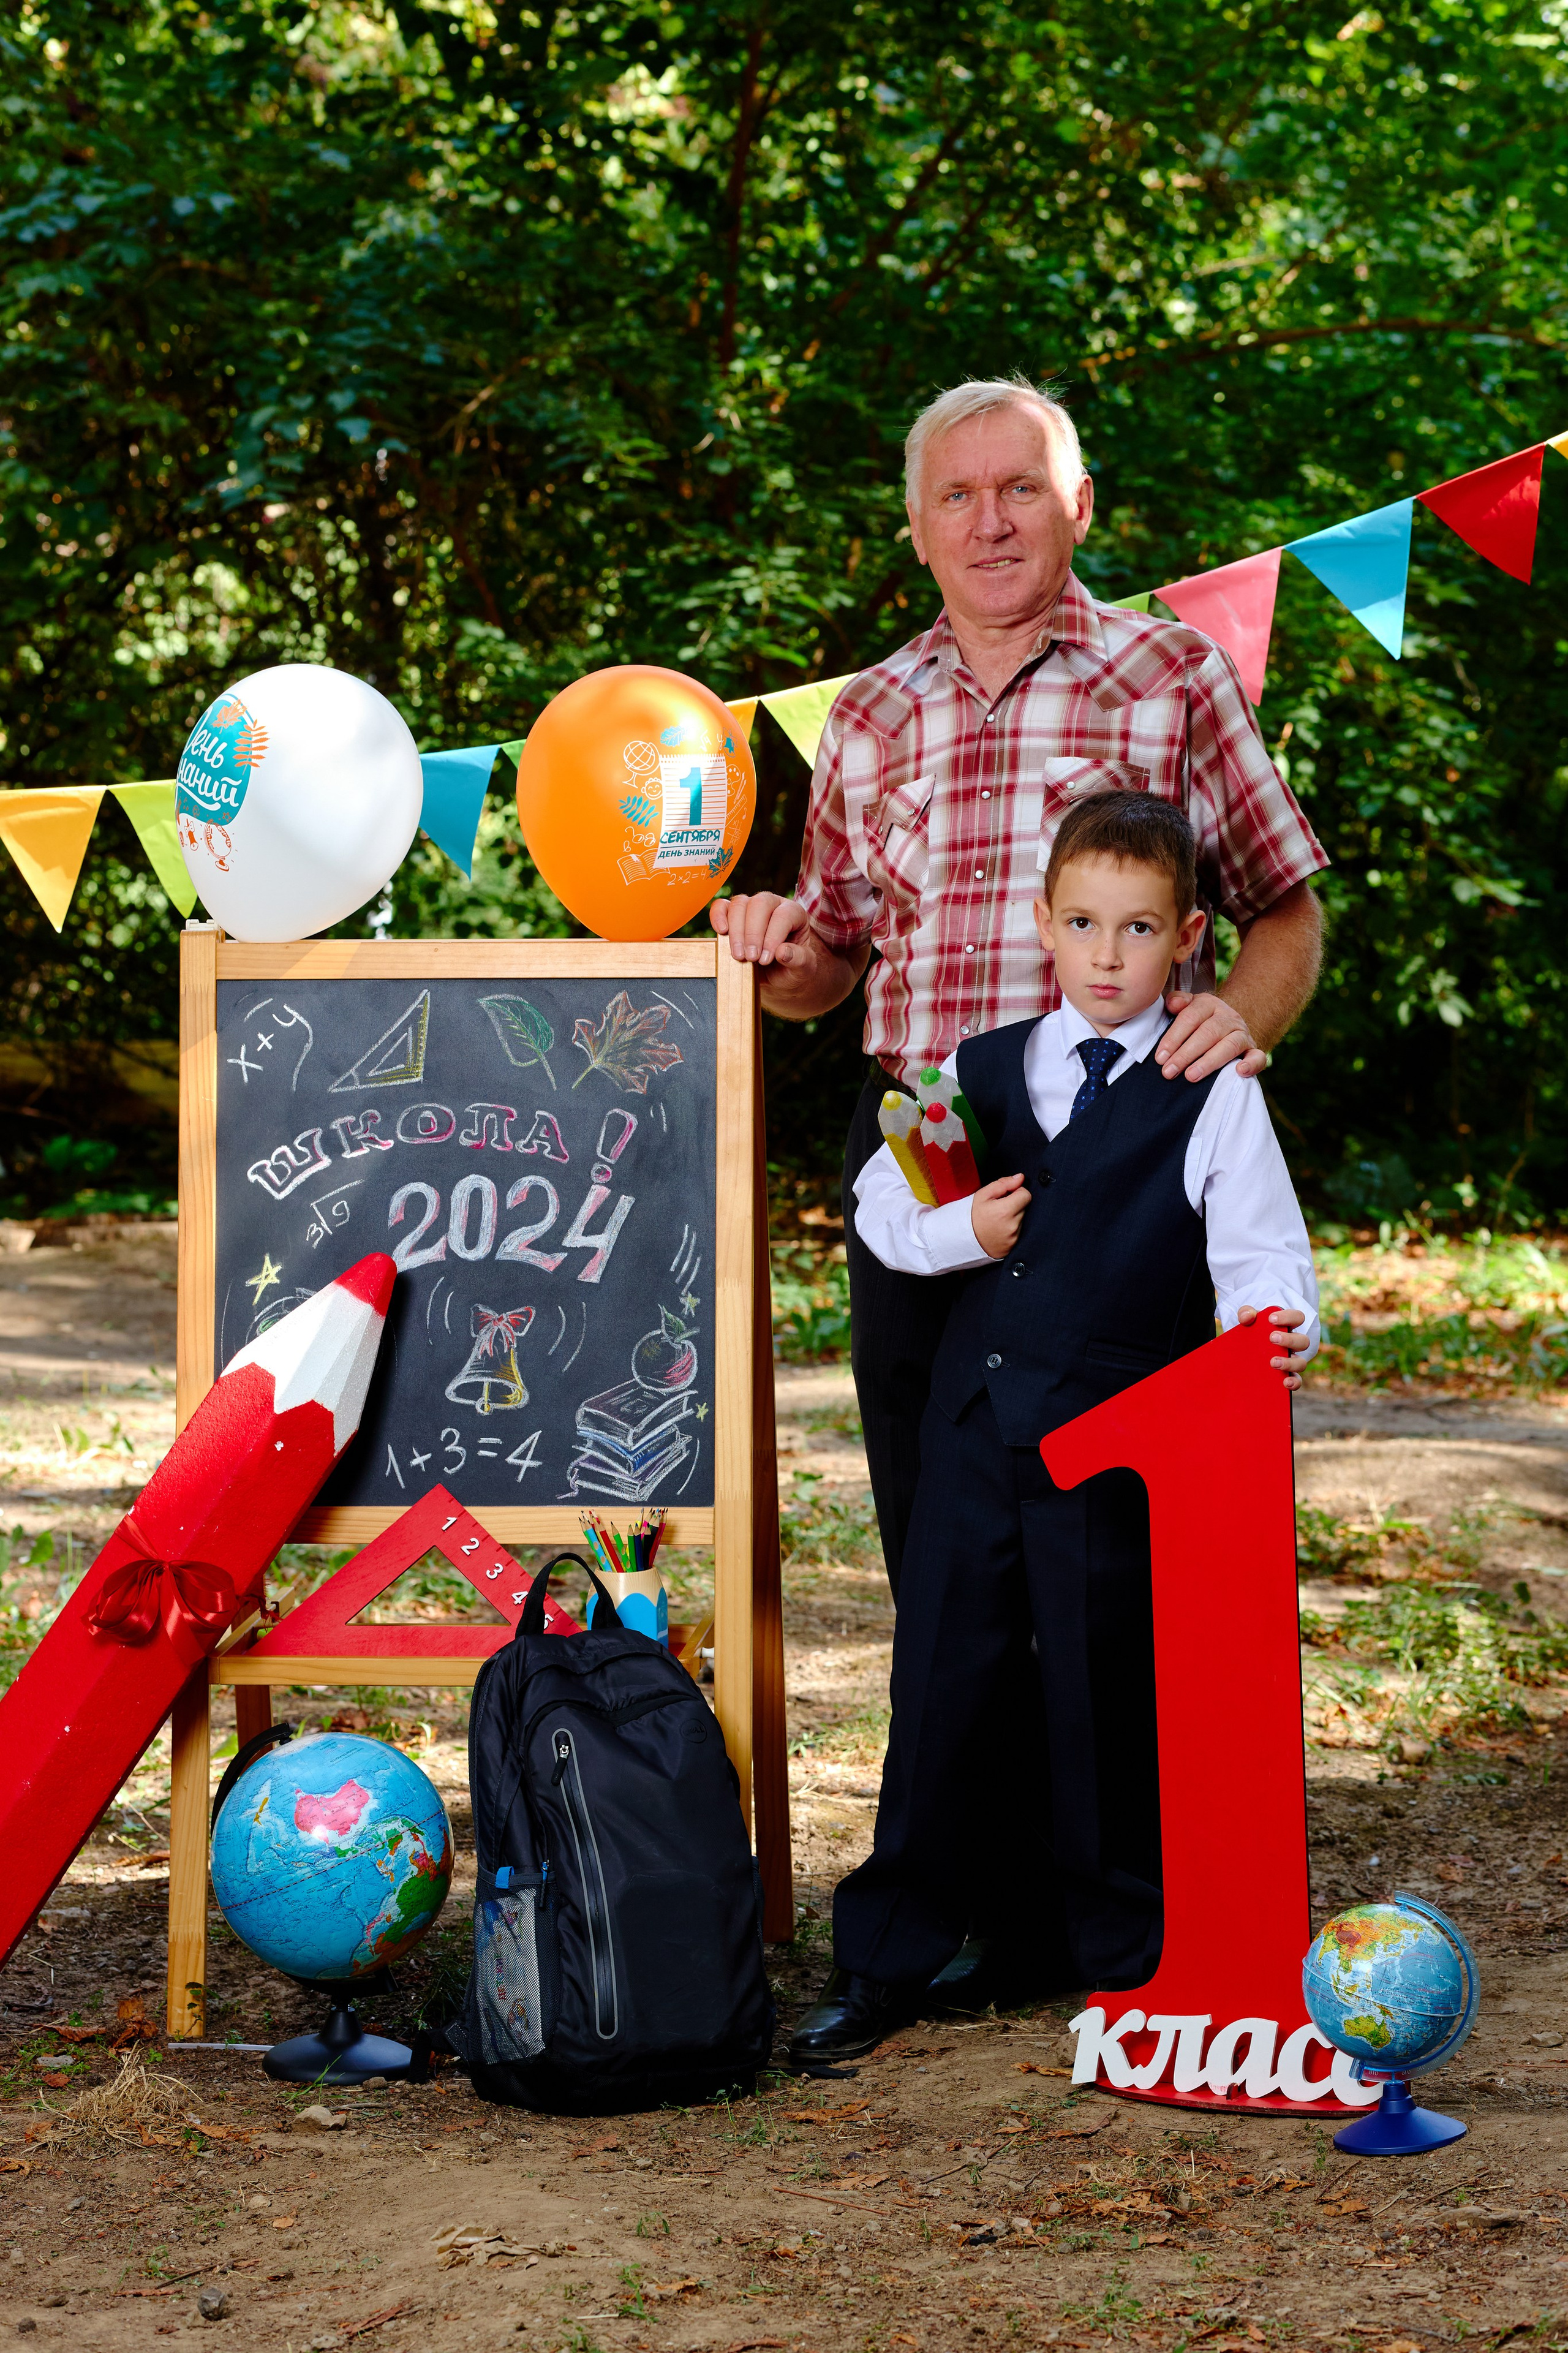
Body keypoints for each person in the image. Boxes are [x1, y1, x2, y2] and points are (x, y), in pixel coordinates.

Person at [711, 376, 1327, 1614]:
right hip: (924, 1140)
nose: (989, 522)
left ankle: (1108, 1795)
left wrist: (1234, 1026)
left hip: (1126, 1142)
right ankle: (962, 1791)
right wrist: (779, 954)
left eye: (1019, 490)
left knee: (1112, 1507)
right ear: (916, 526)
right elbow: (830, 960)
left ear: (1078, 506)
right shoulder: (869, 714)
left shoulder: (1175, 674)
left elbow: (1287, 910)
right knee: (931, 1492)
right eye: (957, 495)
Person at [787, 788, 1319, 2061]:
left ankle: (1119, 1958)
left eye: (1137, 931)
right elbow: (876, 1201)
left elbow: (1257, 1253)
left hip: (1120, 1440)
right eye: (1081, 923)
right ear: (1041, 922)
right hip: (974, 1426)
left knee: (1100, 1687)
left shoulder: (1210, 1089)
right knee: (941, 1681)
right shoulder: (975, 1071)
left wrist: (1272, 1329)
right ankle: (885, 1957)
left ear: (1185, 937)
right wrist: (951, 1234)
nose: (1105, 955)